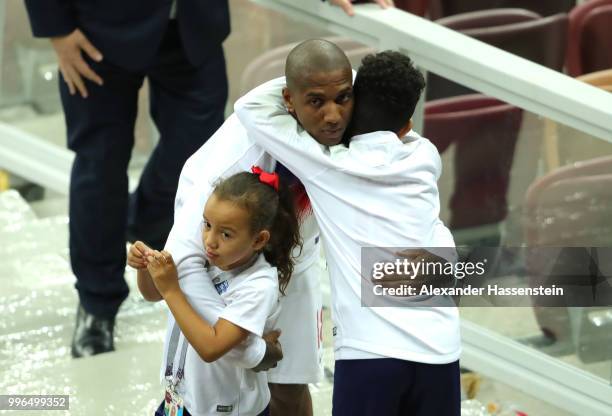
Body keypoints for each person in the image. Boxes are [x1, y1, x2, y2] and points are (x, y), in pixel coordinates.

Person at [235, 41, 461, 415]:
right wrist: (363, 90)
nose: (332, 115)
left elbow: (249, 107)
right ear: (406, 125)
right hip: (441, 348)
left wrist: (333, 83)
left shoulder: (327, 165)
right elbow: (397, 126)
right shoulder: (424, 156)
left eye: (343, 99)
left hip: (371, 354)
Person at [23, 1, 230, 357]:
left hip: (194, 25)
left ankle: (142, 223)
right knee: (99, 167)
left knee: (198, 157)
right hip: (97, 29)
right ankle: (97, 303)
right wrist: (55, 28)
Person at [167, 69, 354, 413]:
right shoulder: (234, 162)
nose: (333, 114)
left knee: (291, 387)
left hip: (297, 262)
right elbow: (180, 261)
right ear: (289, 101)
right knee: (214, 390)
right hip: (218, 269)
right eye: (315, 101)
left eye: (342, 98)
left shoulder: (353, 116)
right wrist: (249, 348)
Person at [128, 168, 301, 416]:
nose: (210, 240)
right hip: (180, 398)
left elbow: (211, 347)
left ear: (259, 240)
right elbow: (153, 294)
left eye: (226, 233)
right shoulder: (208, 258)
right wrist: (145, 268)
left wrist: (171, 288)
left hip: (227, 409)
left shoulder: (259, 284)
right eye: (207, 224)